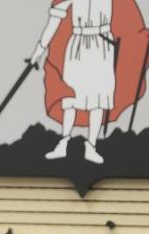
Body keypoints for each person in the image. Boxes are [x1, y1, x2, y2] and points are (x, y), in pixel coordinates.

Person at [32, 0, 117, 164]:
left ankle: (91, 146)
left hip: (103, 45)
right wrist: (39, 49)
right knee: (70, 96)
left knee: (98, 98)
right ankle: (63, 143)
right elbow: (55, 19)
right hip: (78, 44)